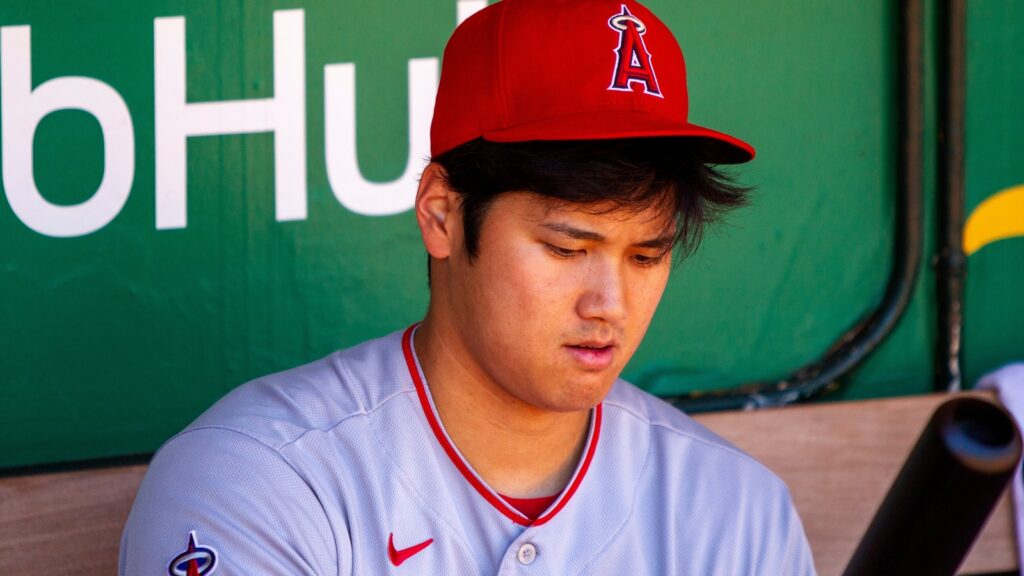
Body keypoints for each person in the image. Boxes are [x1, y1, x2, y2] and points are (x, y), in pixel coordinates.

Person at [120, 0, 816, 574]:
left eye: (646, 255)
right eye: (567, 247)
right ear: (442, 214)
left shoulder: (735, 510)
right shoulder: (258, 480)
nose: (608, 304)